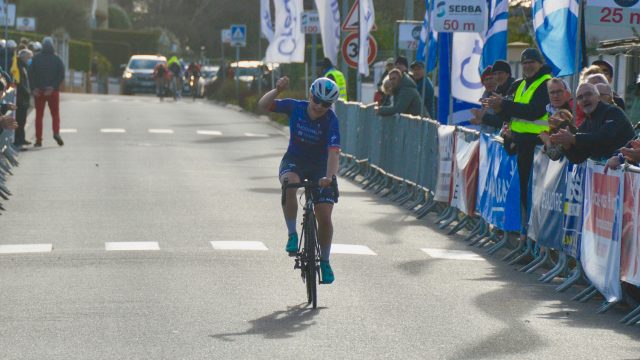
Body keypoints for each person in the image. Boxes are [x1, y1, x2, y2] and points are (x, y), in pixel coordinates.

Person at [257, 76, 341, 284]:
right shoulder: (296, 107)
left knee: (324, 214)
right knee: (289, 184)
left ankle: (325, 260)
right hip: (295, 160)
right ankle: (292, 233)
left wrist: (329, 177)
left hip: (320, 167)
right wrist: (276, 90)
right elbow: (262, 105)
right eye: (316, 100)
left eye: (326, 104)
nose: (320, 106)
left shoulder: (331, 120)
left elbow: (333, 153)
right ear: (310, 95)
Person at [485, 48, 552, 238]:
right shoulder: (520, 84)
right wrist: (498, 108)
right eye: (525, 63)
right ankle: (523, 236)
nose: (528, 66)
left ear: (540, 63)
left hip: (536, 147)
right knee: (522, 194)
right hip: (520, 146)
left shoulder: (545, 83)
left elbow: (534, 111)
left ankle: (530, 241)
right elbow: (511, 114)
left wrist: (504, 104)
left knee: (531, 196)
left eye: (532, 62)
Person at [551, 83, 634, 164]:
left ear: (598, 97)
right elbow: (578, 158)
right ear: (578, 104)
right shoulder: (586, 124)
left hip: (628, 170)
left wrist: (573, 138)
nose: (584, 99)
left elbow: (604, 138)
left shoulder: (613, 112)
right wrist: (567, 145)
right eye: (580, 97)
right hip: (607, 174)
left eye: (588, 94)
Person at [28, 37, 65, 148]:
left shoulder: (36, 58)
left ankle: (38, 139)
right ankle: (56, 132)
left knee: (39, 115)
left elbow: (30, 74)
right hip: (52, 92)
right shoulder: (57, 59)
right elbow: (61, 74)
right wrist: (52, 87)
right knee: (55, 114)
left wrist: (34, 88)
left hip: (39, 91)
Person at [471, 66, 501, 132]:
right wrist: (480, 121)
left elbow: (502, 121)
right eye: (486, 80)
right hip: (489, 138)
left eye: (491, 78)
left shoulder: (501, 95)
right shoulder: (484, 97)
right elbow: (484, 120)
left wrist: (482, 118)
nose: (489, 82)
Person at [14, 49, 32, 148]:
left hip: (23, 98)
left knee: (23, 120)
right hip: (20, 98)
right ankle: (19, 140)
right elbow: (20, 83)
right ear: (23, 57)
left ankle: (22, 138)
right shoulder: (19, 66)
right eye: (28, 57)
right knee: (20, 119)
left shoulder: (23, 66)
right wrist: (27, 91)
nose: (29, 60)